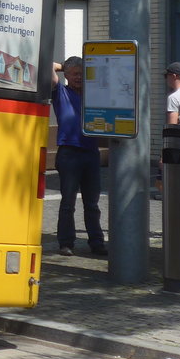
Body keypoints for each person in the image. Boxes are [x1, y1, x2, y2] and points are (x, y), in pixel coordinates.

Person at [51, 57, 107, 257]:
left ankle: (97, 243)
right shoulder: (60, 93)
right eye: (74, 74)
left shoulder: (93, 96)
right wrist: (63, 66)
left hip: (91, 152)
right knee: (68, 202)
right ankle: (66, 243)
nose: (78, 78)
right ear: (66, 75)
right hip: (69, 153)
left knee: (92, 203)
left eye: (82, 74)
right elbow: (49, 67)